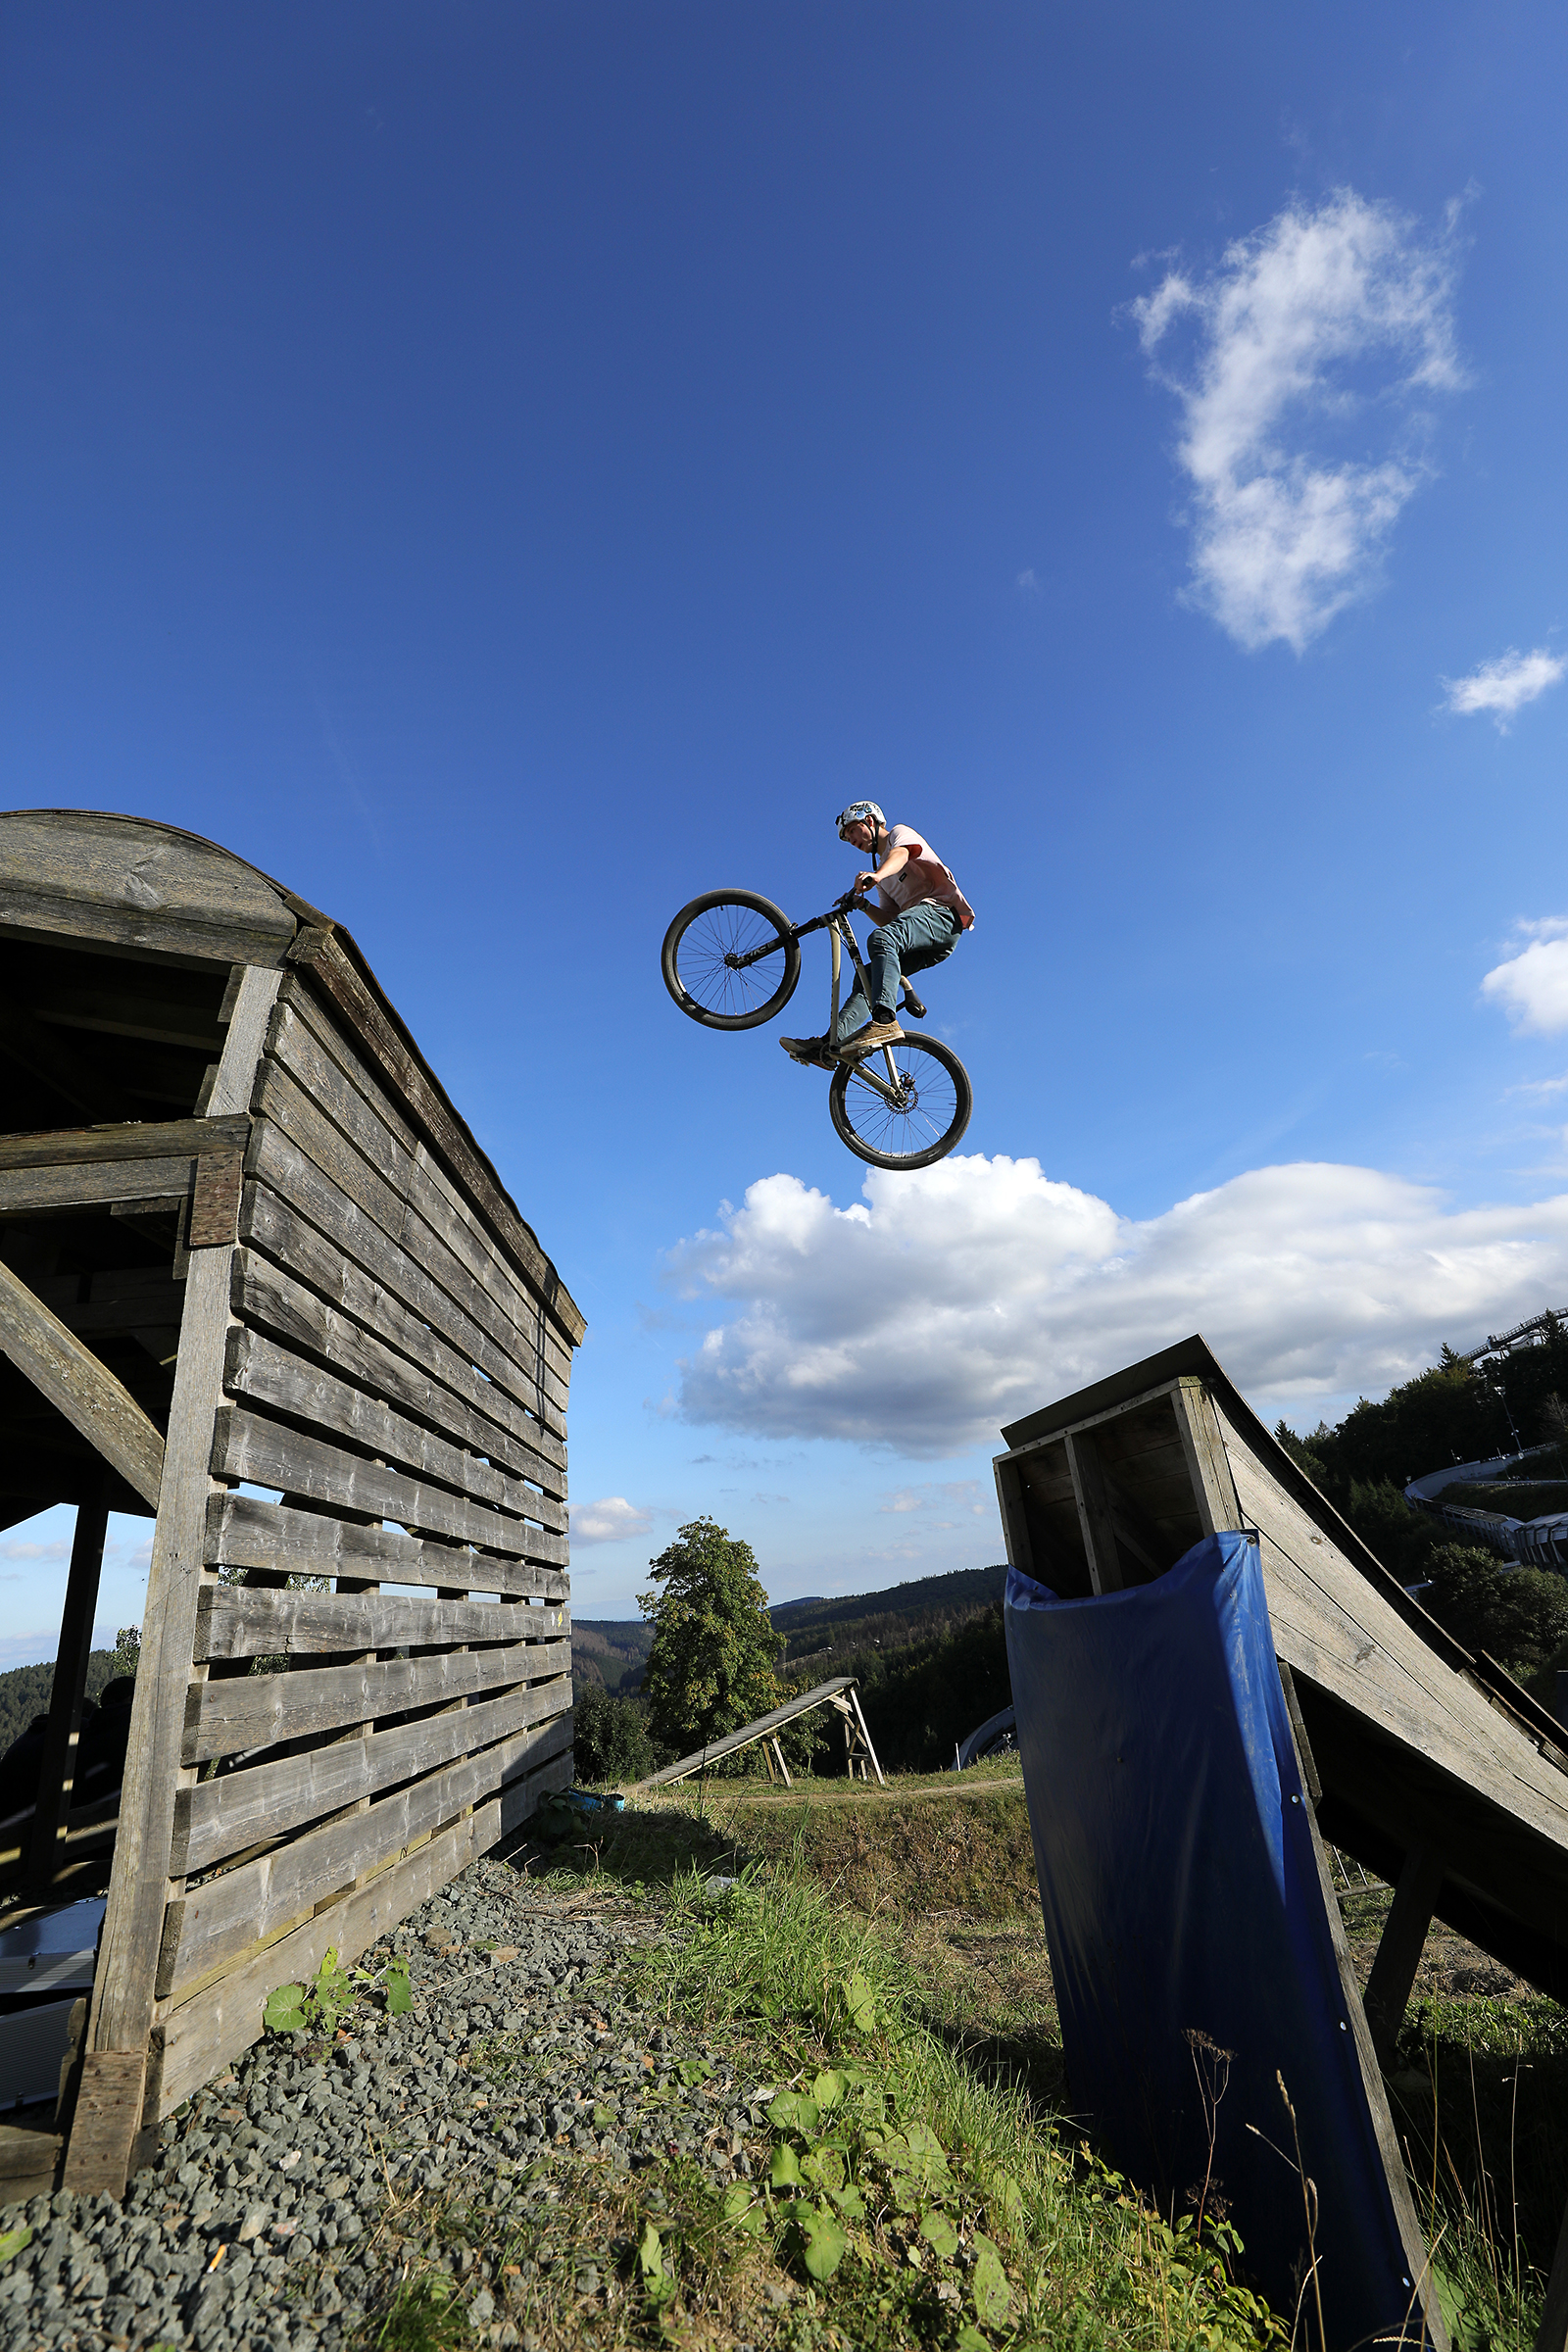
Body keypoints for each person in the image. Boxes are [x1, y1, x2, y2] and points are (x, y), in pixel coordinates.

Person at [780, 802, 974, 1069]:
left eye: (853, 831)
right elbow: (892, 920)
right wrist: (864, 905)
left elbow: (901, 855)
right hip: (924, 940)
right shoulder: (884, 875)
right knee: (868, 979)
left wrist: (877, 875)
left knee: (881, 939)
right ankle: (830, 1043)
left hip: (942, 916)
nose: (852, 840)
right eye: (848, 838)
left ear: (870, 821)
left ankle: (885, 1021)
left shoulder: (898, 835)